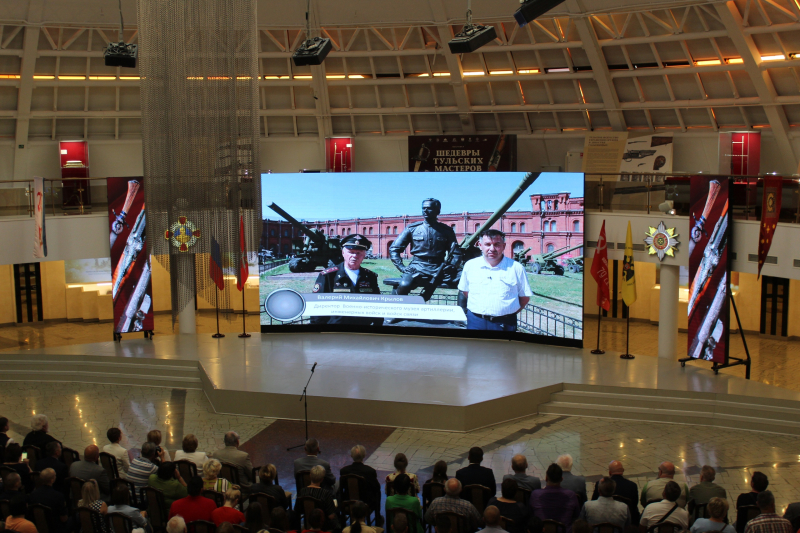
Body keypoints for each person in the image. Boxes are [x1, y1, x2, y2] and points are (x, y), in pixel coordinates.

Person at [457, 230, 532, 332]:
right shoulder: (470, 265)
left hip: (505, 323)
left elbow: (524, 297)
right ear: (480, 245)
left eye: (497, 244)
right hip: (476, 321)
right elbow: (465, 291)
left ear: (504, 246)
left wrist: (506, 313)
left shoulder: (516, 268)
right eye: (487, 244)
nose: (492, 249)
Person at [390, 198, 459, 296]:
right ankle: (398, 305)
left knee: (466, 281)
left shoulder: (446, 231)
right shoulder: (412, 228)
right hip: (417, 267)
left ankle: (465, 307)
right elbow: (394, 249)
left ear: (438, 211)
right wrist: (402, 267)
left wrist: (452, 265)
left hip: (440, 268)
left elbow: (456, 253)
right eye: (423, 208)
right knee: (404, 284)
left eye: (429, 208)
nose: (425, 211)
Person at [310, 234, 382, 326]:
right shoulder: (328, 276)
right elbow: (316, 307)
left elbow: (377, 305)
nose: (355, 256)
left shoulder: (370, 276)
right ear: (343, 253)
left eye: (359, 253)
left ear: (364, 255)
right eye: (351, 252)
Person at [529, 464, 580, 533]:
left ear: (546, 478)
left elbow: (531, 515)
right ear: (561, 479)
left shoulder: (535, 495)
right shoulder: (571, 495)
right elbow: (576, 516)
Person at [339, 445, 381, 517]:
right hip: (366, 504)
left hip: (348, 503)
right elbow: (377, 488)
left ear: (351, 456)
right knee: (378, 492)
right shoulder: (370, 471)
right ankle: (378, 516)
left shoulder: (344, 471)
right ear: (364, 455)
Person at [296, 466, 340, 532]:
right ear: (322, 479)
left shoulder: (302, 491)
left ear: (310, 476)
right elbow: (331, 516)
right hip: (324, 527)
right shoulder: (325, 494)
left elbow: (297, 510)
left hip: (307, 524)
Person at [28, 468, 68, 533]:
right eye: (55, 475)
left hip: (37, 526)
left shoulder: (32, 494)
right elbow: (63, 519)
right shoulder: (58, 496)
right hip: (55, 528)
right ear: (52, 480)